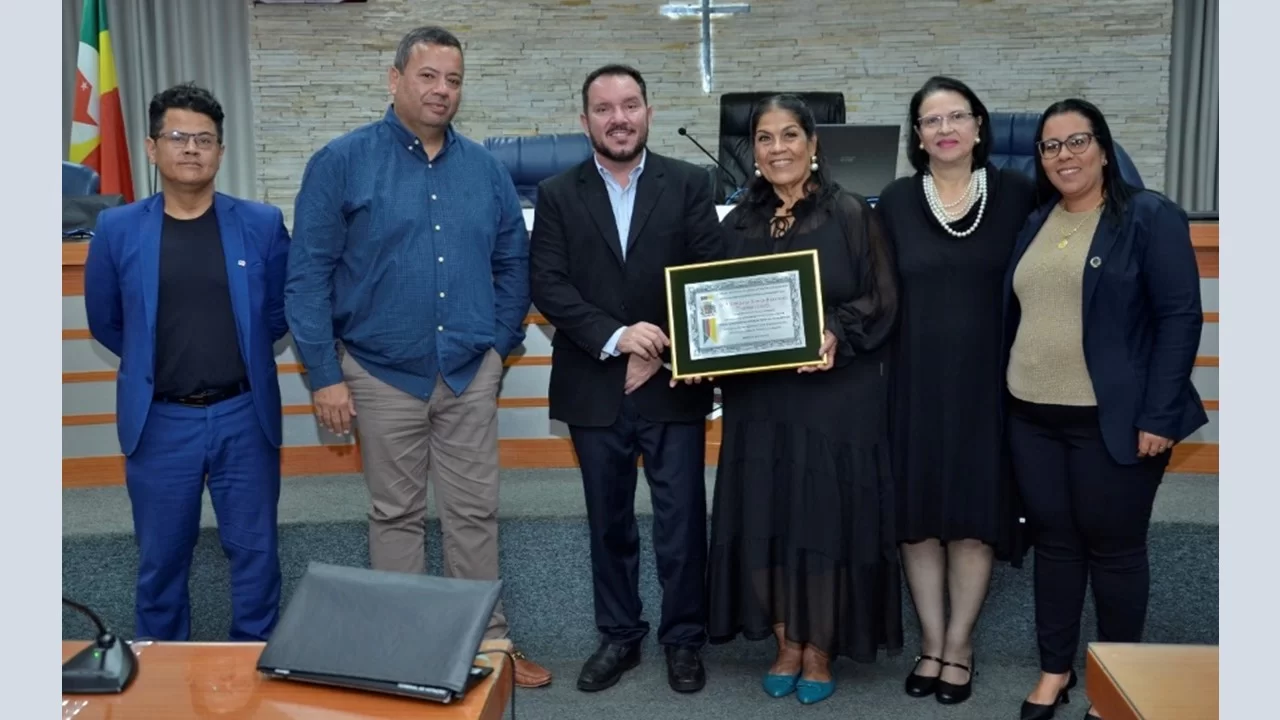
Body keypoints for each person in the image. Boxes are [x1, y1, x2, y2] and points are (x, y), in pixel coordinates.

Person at [283, 26, 551, 688]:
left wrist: (498, 347)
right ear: (395, 78)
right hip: (378, 373)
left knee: (474, 514)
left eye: (453, 80)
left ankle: (489, 645)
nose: (442, 90)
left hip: (467, 371)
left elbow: (513, 263)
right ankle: (405, 653)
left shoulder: (485, 170)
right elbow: (307, 276)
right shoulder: (340, 162)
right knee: (396, 515)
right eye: (428, 76)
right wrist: (324, 376)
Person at [1003, 98, 1207, 720]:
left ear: (1103, 147)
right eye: (1050, 145)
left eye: (1077, 141)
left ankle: (1115, 686)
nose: (1063, 155)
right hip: (1032, 417)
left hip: (1114, 420)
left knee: (1115, 553)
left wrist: (1160, 415)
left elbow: (1179, 317)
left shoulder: (1148, 215)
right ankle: (1055, 670)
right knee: (1055, 547)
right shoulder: (1037, 220)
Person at [528, 64, 723, 694]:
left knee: (681, 522)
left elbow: (708, 274)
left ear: (649, 112)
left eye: (630, 104)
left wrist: (654, 348)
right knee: (608, 522)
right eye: (604, 108)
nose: (619, 118)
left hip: (672, 382)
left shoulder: (690, 183)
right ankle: (619, 636)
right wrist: (618, 339)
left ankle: (684, 639)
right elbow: (548, 284)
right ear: (584, 120)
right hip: (593, 384)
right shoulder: (557, 193)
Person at [704, 94, 902, 705]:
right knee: (767, 511)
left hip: (833, 396)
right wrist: (698, 350)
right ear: (753, 153)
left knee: (821, 518)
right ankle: (786, 642)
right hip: (761, 399)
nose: (778, 148)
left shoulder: (851, 213)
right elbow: (712, 303)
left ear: (814, 145)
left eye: (790, 134)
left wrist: (835, 331)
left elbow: (881, 299)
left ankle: (820, 648)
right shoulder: (737, 223)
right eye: (765, 138)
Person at [83, 83, 289, 641]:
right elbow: (106, 320)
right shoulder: (118, 229)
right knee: (161, 564)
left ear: (221, 150)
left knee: (256, 558)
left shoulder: (262, 224)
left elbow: (277, 315)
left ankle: (254, 669)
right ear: (152, 148)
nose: (192, 148)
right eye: (178, 137)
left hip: (243, 415)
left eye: (204, 139)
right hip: (160, 419)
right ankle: (161, 674)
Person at [875, 76, 1037, 705]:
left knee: (973, 521)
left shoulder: (1018, 193)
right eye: (931, 120)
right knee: (917, 523)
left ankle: (961, 645)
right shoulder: (894, 200)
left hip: (988, 384)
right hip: (913, 382)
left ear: (978, 125)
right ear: (917, 136)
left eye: (956, 117)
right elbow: (875, 291)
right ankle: (932, 641)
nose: (944, 129)